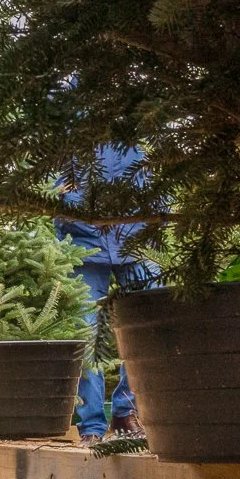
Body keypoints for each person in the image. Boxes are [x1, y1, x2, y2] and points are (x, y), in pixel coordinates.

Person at [57, 144, 154, 446]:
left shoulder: (134, 105)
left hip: (134, 235)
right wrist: (69, 201)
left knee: (148, 323)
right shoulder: (66, 99)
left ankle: (126, 412)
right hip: (82, 237)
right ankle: (91, 426)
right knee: (85, 332)